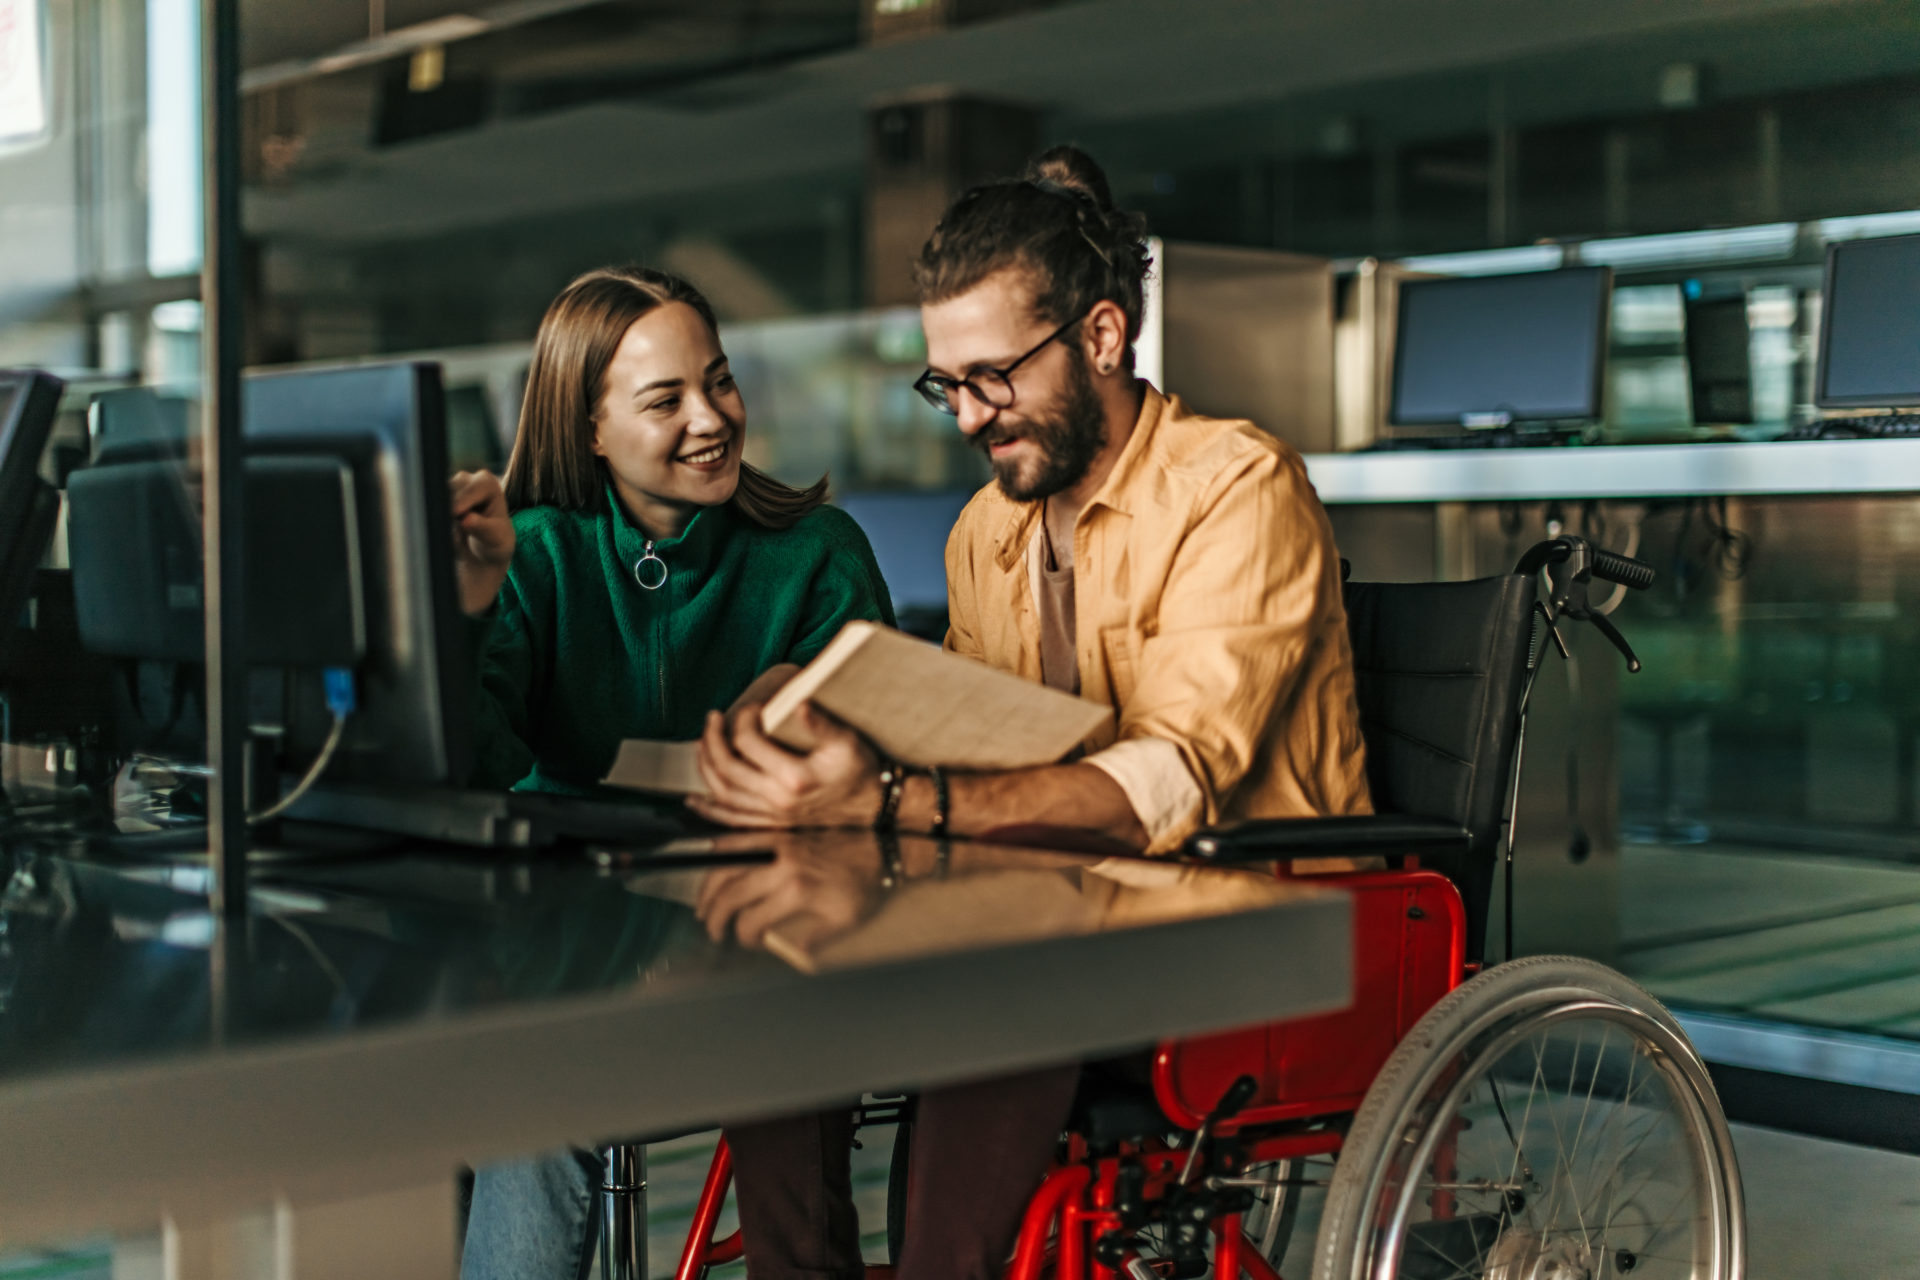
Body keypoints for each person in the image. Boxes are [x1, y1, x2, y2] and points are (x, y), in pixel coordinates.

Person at [691, 147, 1371, 1280]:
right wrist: (815, 730)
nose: (966, 414)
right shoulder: (983, 533)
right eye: (945, 384)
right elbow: (961, 728)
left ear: (1101, 338)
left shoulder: (1236, 488)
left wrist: (896, 800)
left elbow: (1171, 776)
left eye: (990, 375)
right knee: (784, 974)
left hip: (1268, 929)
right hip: (1069, 912)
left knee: (1003, 982)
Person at [449, 264, 894, 1280]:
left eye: (721, 381)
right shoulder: (535, 554)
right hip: (566, 943)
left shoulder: (818, 553)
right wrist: (467, 607)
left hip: (761, 938)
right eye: (666, 399)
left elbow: (879, 763)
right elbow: (473, 763)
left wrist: (817, 715)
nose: (711, 417)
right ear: (589, 428)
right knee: (536, 1066)